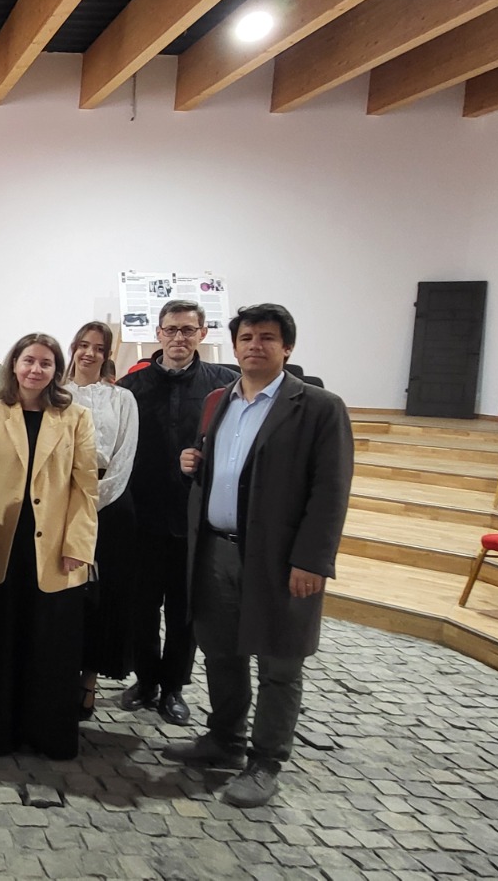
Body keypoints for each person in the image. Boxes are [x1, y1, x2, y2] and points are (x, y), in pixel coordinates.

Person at [168, 304, 352, 808]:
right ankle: (224, 738)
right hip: (215, 549)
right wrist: (193, 464)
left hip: (279, 558)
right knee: (221, 651)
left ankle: (266, 760)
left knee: (279, 662)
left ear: (287, 347)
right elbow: (222, 469)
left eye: (267, 338)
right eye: (246, 337)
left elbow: (330, 490)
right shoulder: (218, 401)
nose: (255, 346)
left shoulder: (318, 407)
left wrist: (313, 561)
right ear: (234, 346)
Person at [0, 333, 98, 760]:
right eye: (28, 361)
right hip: (1, 544)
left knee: (49, 645)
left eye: (46, 363)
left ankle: (46, 733)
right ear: (14, 365)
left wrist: (78, 544)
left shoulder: (76, 417)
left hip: (55, 548)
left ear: (57, 370)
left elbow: (85, 487)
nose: (36, 369)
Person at [117, 300, 238, 725]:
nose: (178, 338)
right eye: (171, 329)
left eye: (188, 330)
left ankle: (173, 687)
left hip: (194, 519)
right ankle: (146, 680)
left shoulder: (225, 386)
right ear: (158, 332)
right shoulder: (130, 387)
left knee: (184, 609)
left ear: (202, 334)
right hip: (142, 514)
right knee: (142, 606)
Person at [64, 321, 139, 719]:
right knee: (66, 594)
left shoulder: (122, 399)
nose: (89, 353)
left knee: (100, 598)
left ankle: (88, 680)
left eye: (98, 347)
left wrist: (94, 500)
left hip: (110, 506)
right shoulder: (57, 395)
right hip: (60, 502)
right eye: (83, 345)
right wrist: (70, 500)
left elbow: (125, 454)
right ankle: (58, 673)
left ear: (107, 354)